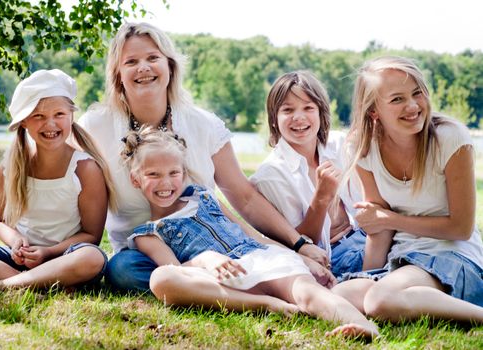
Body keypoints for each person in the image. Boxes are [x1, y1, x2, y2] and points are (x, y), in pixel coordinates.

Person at [79, 22, 329, 292]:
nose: (144, 68)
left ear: (170, 67)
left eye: (153, 58)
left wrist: (299, 245)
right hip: (152, 255)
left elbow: (244, 197)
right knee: (122, 270)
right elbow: (68, 186)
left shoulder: (204, 124)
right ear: (117, 73)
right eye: (131, 62)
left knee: (255, 256)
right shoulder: (95, 126)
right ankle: (234, 286)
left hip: (217, 247)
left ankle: (230, 283)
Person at [121, 126, 379, 339]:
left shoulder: (204, 197)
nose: (166, 183)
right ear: (136, 179)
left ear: (184, 173)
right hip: (223, 281)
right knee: (161, 279)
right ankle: (267, 304)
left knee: (309, 293)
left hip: (261, 258)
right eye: (153, 174)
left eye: (173, 173)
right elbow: (176, 269)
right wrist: (206, 259)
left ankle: (362, 326)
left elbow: (255, 236)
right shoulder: (148, 233)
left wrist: (303, 258)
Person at [333, 56, 483, 322]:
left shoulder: (450, 138)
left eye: (417, 93)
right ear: (373, 111)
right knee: (339, 295)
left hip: (451, 254)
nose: (413, 106)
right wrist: (370, 275)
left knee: (379, 300)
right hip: (402, 258)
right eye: (397, 99)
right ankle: (398, 300)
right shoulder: (363, 147)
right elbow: (379, 229)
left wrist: (390, 219)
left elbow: (461, 227)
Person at [0, 69, 116, 291]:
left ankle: (2, 285)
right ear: (24, 122)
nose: (50, 124)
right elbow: (0, 221)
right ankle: (35, 284)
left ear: (71, 116)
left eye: (59, 114)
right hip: (20, 260)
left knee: (93, 257)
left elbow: (91, 236)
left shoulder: (85, 169)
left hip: (65, 258)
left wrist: (48, 252)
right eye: (38, 116)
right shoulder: (9, 168)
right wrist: (16, 241)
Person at [250, 70, 366, 279]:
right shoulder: (271, 174)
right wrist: (321, 197)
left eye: (308, 107)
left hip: (365, 235)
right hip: (334, 256)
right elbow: (302, 243)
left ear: (321, 113)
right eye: (287, 110)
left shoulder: (338, 145)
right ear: (274, 119)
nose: (299, 117)